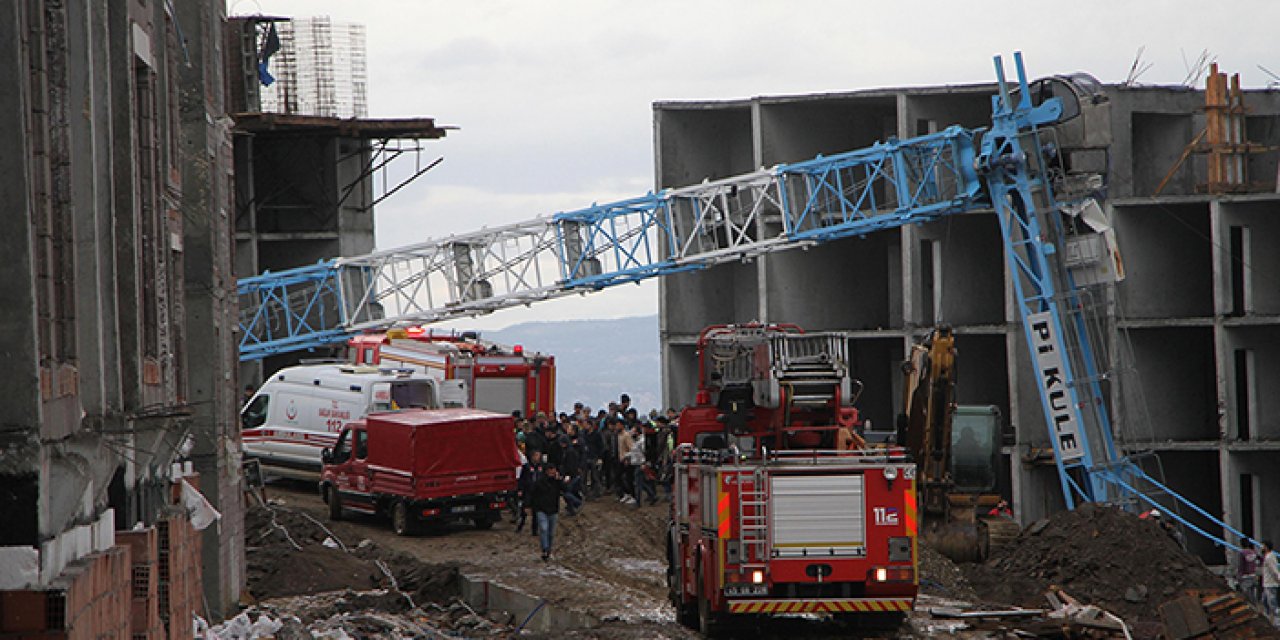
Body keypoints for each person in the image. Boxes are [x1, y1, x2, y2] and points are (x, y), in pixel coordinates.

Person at [530, 464, 569, 561]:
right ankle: (545, 549)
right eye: (550, 470)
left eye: (554, 470)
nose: (552, 472)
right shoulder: (540, 482)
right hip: (541, 509)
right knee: (543, 528)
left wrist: (560, 480)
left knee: (551, 533)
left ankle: (549, 550)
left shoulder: (557, 482)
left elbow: (566, 490)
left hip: (553, 510)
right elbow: (533, 494)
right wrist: (531, 506)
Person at [1262, 540, 1279, 626]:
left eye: (1263, 546)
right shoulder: (1270, 556)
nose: (1262, 547)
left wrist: (1278, 579)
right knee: (1265, 602)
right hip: (1267, 583)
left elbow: (1274, 571)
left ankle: (1277, 623)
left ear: (1266, 547)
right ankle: (1267, 620)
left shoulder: (1269, 557)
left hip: (1270, 584)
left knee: (1272, 604)